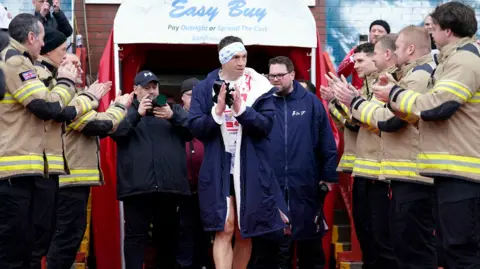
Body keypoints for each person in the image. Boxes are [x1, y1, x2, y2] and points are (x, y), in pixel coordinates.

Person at [372, 2, 480, 268]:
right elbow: (425, 113)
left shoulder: (464, 59)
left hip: (463, 171)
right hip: (452, 170)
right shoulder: (453, 59)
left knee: (461, 251)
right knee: (451, 249)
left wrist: (394, 95)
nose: (430, 34)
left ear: (448, 30)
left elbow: (439, 105)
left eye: (433, 28)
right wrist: (396, 98)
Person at [335, 26, 437, 269]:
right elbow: (362, 120)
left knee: (407, 249)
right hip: (394, 173)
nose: (390, 55)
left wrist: (353, 102)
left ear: (409, 49)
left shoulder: (418, 76)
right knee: (391, 246)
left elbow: (388, 122)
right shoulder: (402, 77)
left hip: (409, 175)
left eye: (397, 48)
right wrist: (342, 103)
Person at [188, 35, 288, 269]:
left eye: (244, 56)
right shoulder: (203, 88)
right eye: (235, 57)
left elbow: (266, 126)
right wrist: (217, 112)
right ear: (223, 59)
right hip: (218, 165)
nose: (242, 62)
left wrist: (242, 110)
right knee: (225, 226)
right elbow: (194, 127)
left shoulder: (261, 86)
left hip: (250, 166)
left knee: (245, 230)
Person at [0, 13, 87, 269]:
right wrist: (67, 82)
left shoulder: (19, 61)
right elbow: (47, 106)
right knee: (14, 250)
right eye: (41, 39)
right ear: (30, 37)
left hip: (24, 172)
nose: (42, 45)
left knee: (28, 247)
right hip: (15, 173)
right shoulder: (16, 61)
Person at [45, 52, 133, 269]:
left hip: (74, 181)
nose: (80, 69)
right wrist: (119, 107)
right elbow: (97, 125)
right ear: (61, 65)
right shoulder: (65, 97)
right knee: (65, 240)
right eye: (74, 64)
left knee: (70, 238)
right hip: (68, 181)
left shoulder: (75, 95)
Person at [252, 56, 337, 269]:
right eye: (271, 75)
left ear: (292, 75)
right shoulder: (262, 103)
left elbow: (326, 142)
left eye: (280, 75)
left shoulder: (311, 103)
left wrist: (328, 177)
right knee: (271, 247)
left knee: (309, 245)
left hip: (306, 185)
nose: (275, 80)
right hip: (271, 186)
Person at [110, 70, 192, 269]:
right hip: (138, 188)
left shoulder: (173, 110)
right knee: (135, 238)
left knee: (167, 238)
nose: (152, 91)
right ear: (135, 90)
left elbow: (194, 131)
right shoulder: (126, 112)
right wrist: (136, 115)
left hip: (168, 188)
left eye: (154, 87)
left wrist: (173, 117)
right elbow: (115, 132)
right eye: (146, 87)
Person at [176, 77, 214, 269]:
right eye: (191, 95)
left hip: (206, 188)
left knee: (204, 233)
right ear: (182, 97)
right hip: (181, 189)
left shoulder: (212, 119)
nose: (195, 99)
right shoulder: (173, 119)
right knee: (183, 233)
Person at [337, 20, 390, 90]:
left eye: (380, 31)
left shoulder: (391, 52)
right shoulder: (358, 51)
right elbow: (341, 73)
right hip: (359, 93)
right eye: (373, 31)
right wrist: (354, 57)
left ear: (388, 35)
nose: (376, 34)